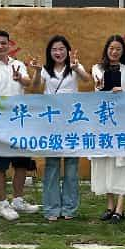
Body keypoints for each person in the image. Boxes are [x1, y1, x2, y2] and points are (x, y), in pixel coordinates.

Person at [30, 35, 91, 221]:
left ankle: (69, 209)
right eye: (54, 49)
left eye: (61, 49)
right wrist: (37, 71)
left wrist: (76, 67)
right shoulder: (45, 70)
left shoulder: (74, 67)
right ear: (49, 52)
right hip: (52, 124)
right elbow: (35, 88)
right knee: (52, 166)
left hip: (72, 123)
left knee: (71, 167)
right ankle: (51, 208)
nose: (58, 52)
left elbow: (87, 80)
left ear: (68, 51)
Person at [0, 30, 39, 220]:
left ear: (9, 44)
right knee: (1, 166)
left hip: (20, 121)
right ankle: (2, 204)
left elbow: (29, 83)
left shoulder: (18, 64)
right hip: (0, 123)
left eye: (3, 43)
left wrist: (20, 77)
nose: (0, 46)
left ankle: (18, 200)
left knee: (21, 164)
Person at [90, 35, 125, 224]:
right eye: (111, 48)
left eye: (118, 48)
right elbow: (96, 92)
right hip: (104, 122)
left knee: (123, 163)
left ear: (123, 51)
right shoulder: (97, 68)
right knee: (105, 161)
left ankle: (120, 207)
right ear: (106, 49)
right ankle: (110, 206)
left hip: (124, 122)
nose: (114, 52)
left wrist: (122, 94)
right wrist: (102, 89)